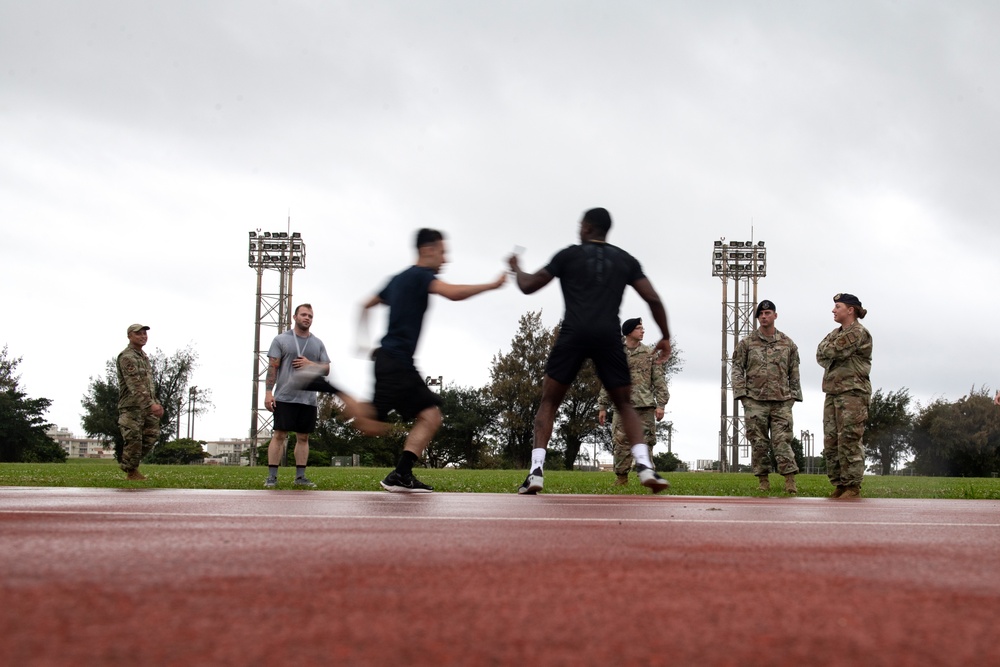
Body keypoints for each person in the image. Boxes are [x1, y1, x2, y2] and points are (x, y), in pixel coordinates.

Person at [508, 207, 673, 494]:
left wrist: (516, 267)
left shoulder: (568, 255)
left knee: (549, 402)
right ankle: (645, 466)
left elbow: (529, 285)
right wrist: (666, 336)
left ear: (587, 227)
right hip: (608, 335)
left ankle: (536, 471)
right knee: (624, 404)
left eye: (579, 225)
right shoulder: (625, 260)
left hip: (573, 332)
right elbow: (652, 298)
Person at [362, 228, 506, 492]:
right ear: (427, 250)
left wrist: (363, 342)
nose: (445, 259)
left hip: (387, 359)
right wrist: (492, 285)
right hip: (397, 361)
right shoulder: (419, 276)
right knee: (430, 416)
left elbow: (366, 304)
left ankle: (401, 474)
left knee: (376, 423)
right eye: (442, 252)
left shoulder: (396, 279)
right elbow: (452, 293)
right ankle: (401, 474)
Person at [731, 300, 802, 494]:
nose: (764, 316)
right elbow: (737, 368)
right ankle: (763, 481)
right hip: (755, 401)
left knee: (782, 441)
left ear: (775, 316)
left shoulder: (788, 343)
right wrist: (742, 395)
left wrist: (793, 397)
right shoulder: (746, 343)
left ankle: (790, 481)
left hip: (781, 401)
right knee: (758, 442)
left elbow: (794, 371)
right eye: (760, 314)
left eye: (768, 313)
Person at [263, 304, 331, 489]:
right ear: (295, 317)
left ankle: (300, 477)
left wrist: (310, 364)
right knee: (279, 435)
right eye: (303, 314)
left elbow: (326, 369)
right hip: (285, 396)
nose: (307, 318)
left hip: (308, 399)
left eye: (310, 315)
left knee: (303, 438)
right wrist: (269, 392)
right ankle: (272, 477)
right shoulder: (281, 340)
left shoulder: (317, 343)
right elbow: (273, 367)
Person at [597, 317, 670, 486]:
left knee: (647, 443)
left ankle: (647, 475)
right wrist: (602, 406)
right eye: (639, 328)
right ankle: (621, 478)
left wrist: (661, 405)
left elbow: (659, 381)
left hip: (644, 406)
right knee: (621, 444)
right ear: (629, 332)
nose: (643, 331)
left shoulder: (649, 354)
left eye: (642, 328)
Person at [816, 293, 873, 499]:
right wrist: (829, 350)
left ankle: (852, 486)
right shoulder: (835, 332)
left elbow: (834, 352)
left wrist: (829, 350)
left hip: (853, 393)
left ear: (850, 310)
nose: (833, 310)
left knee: (849, 438)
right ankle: (839, 483)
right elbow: (820, 354)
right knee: (831, 441)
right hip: (833, 392)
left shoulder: (858, 332)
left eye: (837, 306)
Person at [116, 323, 164, 481]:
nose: (143, 336)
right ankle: (131, 471)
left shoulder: (143, 356)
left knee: (152, 435)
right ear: (129, 336)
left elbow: (149, 385)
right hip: (131, 406)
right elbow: (134, 384)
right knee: (134, 438)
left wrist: (155, 402)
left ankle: (128, 463)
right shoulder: (127, 357)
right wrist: (151, 405)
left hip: (147, 405)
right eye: (138, 334)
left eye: (145, 333)